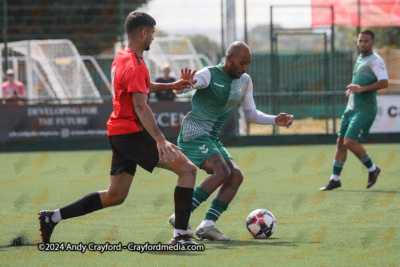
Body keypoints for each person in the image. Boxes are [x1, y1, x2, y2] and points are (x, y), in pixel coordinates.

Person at [38, 11, 199, 246]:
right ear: (143, 32)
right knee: (188, 170)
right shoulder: (135, 63)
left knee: (115, 196)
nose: (153, 38)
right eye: (152, 33)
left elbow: (139, 87)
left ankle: (52, 217)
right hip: (132, 133)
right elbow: (141, 105)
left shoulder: (123, 55)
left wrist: (170, 85)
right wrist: (160, 140)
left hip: (119, 132)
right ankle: (181, 236)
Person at [165, 41, 294, 241]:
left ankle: (207, 225)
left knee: (235, 176)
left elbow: (250, 114)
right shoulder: (209, 74)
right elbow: (181, 89)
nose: (244, 67)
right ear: (229, 58)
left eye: (247, 64)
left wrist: (274, 120)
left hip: (211, 137)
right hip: (194, 132)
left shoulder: (245, 80)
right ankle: (182, 215)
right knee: (222, 172)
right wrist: (182, 85)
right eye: (241, 62)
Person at [319, 30, 388, 191]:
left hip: (365, 109)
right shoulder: (360, 58)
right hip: (351, 107)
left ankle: (373, 169)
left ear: (372, 43)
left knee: (349, 142)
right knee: (340, 142)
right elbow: (359, 82)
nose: (362, 44)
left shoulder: (376, 60)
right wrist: (353, 90)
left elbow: (384, 82)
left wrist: (362, 89)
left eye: (366, 41)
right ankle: (335, 179)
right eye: (360, 41)